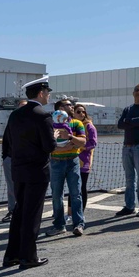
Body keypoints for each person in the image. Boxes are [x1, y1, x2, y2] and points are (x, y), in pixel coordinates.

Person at [3, 77, 63, 270]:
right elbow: (49, 147)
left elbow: (10, 142)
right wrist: (53, 136)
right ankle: (28, 257)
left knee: (19, 212)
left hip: (18, 170)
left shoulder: (15, 115)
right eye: (47, 92)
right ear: (41, 93)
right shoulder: (43, 116)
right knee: (33, 214)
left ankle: (11, 255)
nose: (49, 95)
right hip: (37, 171)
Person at [48, 99, 87, 237]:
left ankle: (78, 224)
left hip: (72, 161)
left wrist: (70, 137)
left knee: (76, 193)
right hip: (56, 162)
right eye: (68, 105)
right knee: (56, 195)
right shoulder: (51, 124)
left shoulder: (77, 123)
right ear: (59, 108)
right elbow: (47, 143)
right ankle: (59, 225)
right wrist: (66, 145)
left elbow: (83, 141)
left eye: (71, 104)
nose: (71, 106)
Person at [117, 84, 139, 216]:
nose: (138, 93)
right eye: (136, 90)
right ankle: (129, 206)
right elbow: (120, 124)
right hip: (127, 147)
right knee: (129, 178)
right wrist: (133, 121)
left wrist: (128, 121)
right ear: (133, 93)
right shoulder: (128, 109)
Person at [1, 99, 28, 223]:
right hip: (11, 158)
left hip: (27, 159)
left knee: (28, 185)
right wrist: (5, 156)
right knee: (11, 185)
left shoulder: (32, 123)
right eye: (21, 106)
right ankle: (12, 210)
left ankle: (26, 209)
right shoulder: (11, 122)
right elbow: (6, 139)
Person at [73, 104, 98, 210]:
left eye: (83, 112)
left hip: (84, 160)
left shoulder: (89, 126)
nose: (81, 114)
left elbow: (93, 143)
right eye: (78, 112)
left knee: (82, 186)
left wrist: (81, 146)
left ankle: (81, 211)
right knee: (72, 187)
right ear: (73, 113)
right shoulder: (71, 124)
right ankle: (71, 211)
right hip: (72, 158)